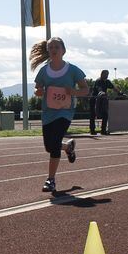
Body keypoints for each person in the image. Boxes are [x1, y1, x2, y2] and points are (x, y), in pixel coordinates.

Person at [31, 37, 88, 192]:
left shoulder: (73, 70)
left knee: (55, 141)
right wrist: (39, 91)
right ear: (48, 51)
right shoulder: (44, 71)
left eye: (57, 47)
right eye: (51, 47)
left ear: (63, 50)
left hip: (65, 112)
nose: (54, 50)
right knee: (49, 147)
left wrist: (74, 91)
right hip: (48, 112)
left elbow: (85, 89)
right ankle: (68, 147)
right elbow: (37, 89)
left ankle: (51, 180)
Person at [88, 69, 114, 135]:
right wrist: (103, 93)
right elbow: (99, 90)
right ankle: (92, 130)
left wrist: (120, 93)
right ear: (102, 74)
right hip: (94, 99)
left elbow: (114, 88)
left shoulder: (107, 81)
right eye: (105, 74)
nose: (107, 76)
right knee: (93, 115)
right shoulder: (98, 81)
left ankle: (103, 130)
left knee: (105, 114)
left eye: (107, 75)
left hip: (102, 100)